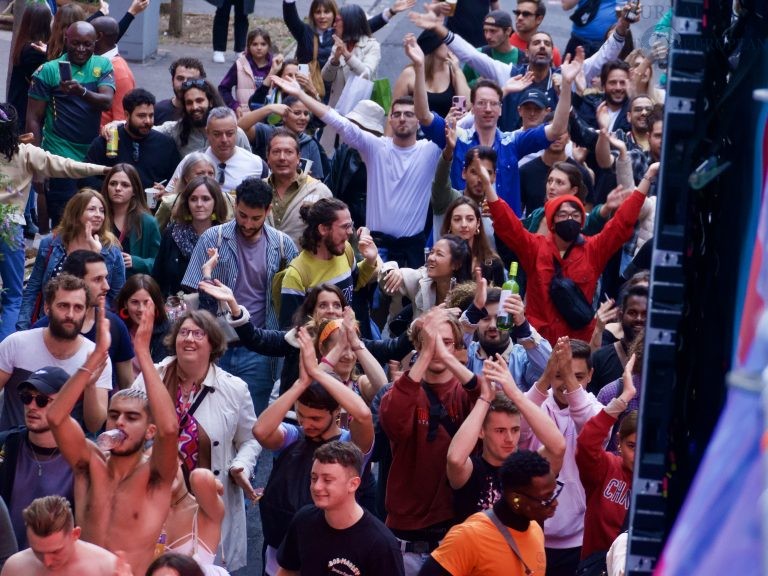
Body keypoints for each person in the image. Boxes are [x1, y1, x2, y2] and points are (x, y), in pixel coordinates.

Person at [47, 303, 179, 576]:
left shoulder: (156, 476)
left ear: (149, 431)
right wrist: (95, 356)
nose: (119, 422)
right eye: (114, 415)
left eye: (132, 418)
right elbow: (56, 418)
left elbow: (169, 430)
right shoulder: (90, 464)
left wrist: (142, 353)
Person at [131, 309, 260, 571]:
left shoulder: (234, 389)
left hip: (207, 501)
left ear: (212, 343)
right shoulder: (151, 377)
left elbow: (251, 439)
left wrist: (241, 466)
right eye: (184, 332)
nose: (189, 339)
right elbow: (130, 420)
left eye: (198, 334)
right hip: (158, 500)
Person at [269, 75, 442, 269]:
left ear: (419, 121)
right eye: (397, 114)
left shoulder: (432, 150)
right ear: (390, 121)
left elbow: (455, 133)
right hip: (374, 246)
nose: (402, 119)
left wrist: (419, 68)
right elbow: (338, 122)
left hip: (413, 250)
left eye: (409, 114)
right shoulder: (375, 147)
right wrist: (300, 94)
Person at [482, 158, 656, 344]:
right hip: (536, 342)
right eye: (563, 215)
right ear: (552, 222)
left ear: (582, 222)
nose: (569, 219)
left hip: (577, 344)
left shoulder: (594, 249)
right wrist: (488, 185)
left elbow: (622, 222)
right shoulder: (534, 247)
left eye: (575, 216)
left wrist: (648, 177)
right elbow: (509, 226)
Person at [407, 31, 579, 215]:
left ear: (501, 109)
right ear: (473, 107)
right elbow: (423, 116)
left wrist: (567, 86)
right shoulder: (456, 137)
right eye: (481, 103)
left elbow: (557, 129)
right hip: (461, 231)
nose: (488, 109)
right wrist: (418, 67)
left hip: (502, 237)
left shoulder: (513, 141)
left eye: (493, 104)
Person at [253, 326, 374, 576]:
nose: (307, 424)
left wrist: (318, 374)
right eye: (301, 415)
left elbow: (362, 414)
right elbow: (261, 431)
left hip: (327, 560)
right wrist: (300, 384)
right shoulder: (293, 436)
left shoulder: (351, 446)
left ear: (335, 413)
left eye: (316, 419)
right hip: (277, 557)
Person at [181, 177, 297, 415]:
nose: (247, 223)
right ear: (235, 206)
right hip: (218, 345)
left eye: (256, 218)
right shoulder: (213, 238)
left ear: (268, 210)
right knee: (210, 419)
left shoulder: (284, 245)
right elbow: (193, 292)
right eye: (242, 215)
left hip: (259, 350)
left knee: (251, 423)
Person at [378, 308, 479, 574]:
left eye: (445, 342)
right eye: (429, 341)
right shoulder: (398, 392)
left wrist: (445, 356)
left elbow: (487, 399)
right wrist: (424, 353)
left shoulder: (466, 392)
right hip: (407, 538)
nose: (436, 349)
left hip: (457, 533)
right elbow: (393, 423)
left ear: (458, 348)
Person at [0, 102, 109, 340]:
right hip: (9, 228)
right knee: (12, 296)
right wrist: (103, 169)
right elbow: (67, 166)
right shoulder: (25, 153)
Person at [447, 351, 566, 524]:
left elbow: (558, 447)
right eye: (500, 431)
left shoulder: (528, 468)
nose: (510, 438)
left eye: (515, 429)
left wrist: (515, 394)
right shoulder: (472, 471)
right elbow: (455, 459)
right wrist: (484, 398)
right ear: (481, 431)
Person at [522, 337, 604, 575]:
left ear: (590, 375)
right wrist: (544, 379)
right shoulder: (535, 402)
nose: (566, 384)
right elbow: (519, 427)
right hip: (528, 532)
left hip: (577, 539)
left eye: (577, 376)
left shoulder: (595, 408)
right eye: (559, 376)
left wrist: (566, 376)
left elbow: (591, 431)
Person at [26, 21, 115, 229]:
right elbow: (33, 119)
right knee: (65, 223)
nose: (81, 49)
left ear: (96, 42)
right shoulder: (47, 71)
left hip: (91, 156)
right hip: (59, 155)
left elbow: (107, 101)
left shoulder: (103, 65)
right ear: (66, 40)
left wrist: (80, 91)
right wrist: (38, 167)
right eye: (75, 43)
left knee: (93, 222)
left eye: (87, 44)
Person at [2, 274, 113, 433]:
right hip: (10, 448)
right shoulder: (16, 344)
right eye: (63, 306)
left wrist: (89, 386)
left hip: (64, 452)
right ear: (47, 308)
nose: (70, 315)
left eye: (78, 307)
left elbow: (94, 425)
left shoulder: (95, 356)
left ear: (86, 311)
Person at [417, 450, 555, 576]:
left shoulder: (536, 531)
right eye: (545, 499)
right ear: (515, 499)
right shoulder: (468, 537)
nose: (554, 503)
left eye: (554, 494)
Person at [276, 441, 405, 576]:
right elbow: (287, 570)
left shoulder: (381, 544)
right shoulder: (303, 520)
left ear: (353, 484)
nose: (316, 487)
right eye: (314, 478)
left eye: (327, 480)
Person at [18, 189, 124, 330]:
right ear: (76, 213)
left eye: (102, 210)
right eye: (92, 209)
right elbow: (33, 288)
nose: (99, 215)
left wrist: (96, 254)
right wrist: (22, 328)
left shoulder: (111, 250)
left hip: (90, 328)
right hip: (49, 324)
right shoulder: (51, 243)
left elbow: (117, 297)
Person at [33, 251, 135, 391]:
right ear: (76, 281)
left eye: (106, 278)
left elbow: (127, 387)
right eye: (97, 279)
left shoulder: (115, 327)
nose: (107, 286)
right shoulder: (42, 329)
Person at [0, 367, 75, 549]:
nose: (32, 406)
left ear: (67, 405)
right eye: (27, 398)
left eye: (42, 400)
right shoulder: (7, 444)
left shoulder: (80, 457)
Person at [576, 357, 638, 571]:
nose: (637, 455)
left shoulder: (660, 483)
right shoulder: (607, 467)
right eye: (632, 445)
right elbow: (586, 443)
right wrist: (623, 399)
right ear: (619, 442)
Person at [278, 198, 379, 328]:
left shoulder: (346, 250)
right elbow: (290, 330)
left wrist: (370, 260)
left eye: (350, 225)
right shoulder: (296, 275)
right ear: (323, 229)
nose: (350, 232)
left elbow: (356, 283)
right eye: (345, 226)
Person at [459, 273, 551, 389]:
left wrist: (523, 326)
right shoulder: (469, 354)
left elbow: (549, 371)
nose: (492, 325)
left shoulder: (522, 358)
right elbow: (451, 355)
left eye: (499, 318)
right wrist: (471, 314)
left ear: (512, 321)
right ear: (476, 322)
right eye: (485, 318)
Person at [84, 88, 181, 190]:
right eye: (141, 116)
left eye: (151, 115)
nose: (148, 121)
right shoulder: (108, 140)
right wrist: (110, 190)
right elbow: (85, 176)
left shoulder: (165, 145)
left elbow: (177, 181)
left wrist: (165, 191)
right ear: (127, 115)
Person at [319, 3, 382, 154]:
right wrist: (334, 59)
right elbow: (326, 77)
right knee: (328, 154)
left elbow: (366, 73)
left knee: (351, 155)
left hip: (359, 115)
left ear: (349, 22)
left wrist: (346, 55)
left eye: (338, 20)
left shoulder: (371, 46)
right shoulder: (339, 44)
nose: (334, 24)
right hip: (336, 110)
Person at [0, 496, 117, 575]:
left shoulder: (108, 568)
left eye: (55, 551)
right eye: (38, 552)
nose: (47, 562)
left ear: (75, 534)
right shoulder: (15, 568)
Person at [153, 176, 230, 298]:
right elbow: (158, 277)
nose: (199, 204)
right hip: (176, 308)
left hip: (218, 310)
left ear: (216, 202)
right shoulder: (172, 233)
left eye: (206, 199)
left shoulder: (226, 235)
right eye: (193, 199)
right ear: (187, 203)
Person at [165, 107, 267, 196]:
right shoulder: (190, 161)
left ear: (236, 131)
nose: (224, 140)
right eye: (217, 134)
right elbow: (169, 197)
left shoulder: (256, 164)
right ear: (207, 133)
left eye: (229, 133)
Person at [380, 234, 473, 325]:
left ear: (456, 264)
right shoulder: (422, 279)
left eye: (439, 254)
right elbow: (385, 283)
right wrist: (393, 271)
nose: (431, 258)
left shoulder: (469, 297)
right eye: (432, 252)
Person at [264, 128, 332, 246]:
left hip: (305, 263)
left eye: (289, 152)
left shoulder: (319, 191)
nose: (282, 157)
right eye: (276, 152)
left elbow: (329, 235)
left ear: (298, 157)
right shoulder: (258, 189)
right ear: (268, 157)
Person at [154, 80, 252, 158]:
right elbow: (145, 130)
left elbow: (249, 164)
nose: (195, 107)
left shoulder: (235, 134)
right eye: (189, 103)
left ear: (211, 102)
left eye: (199, 101)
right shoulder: (177, 130)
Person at [238, 95, 325, 180]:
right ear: (284, 116)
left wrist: (307, 180)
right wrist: (269, 108)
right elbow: (239, 129)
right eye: (297, 113)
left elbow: (317, 182)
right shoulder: (269, 132)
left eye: (306, 114)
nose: (303, 118)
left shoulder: (310, 143)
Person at [393, 30, 470, 119]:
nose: (451, 46)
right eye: (446, 42)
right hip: (417, 130)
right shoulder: (410, 74)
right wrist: (388, 133)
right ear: (433, 47)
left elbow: (467, 106)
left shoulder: (453, 70)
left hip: (447, 130)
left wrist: (457, 71)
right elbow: (394, 109)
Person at [102, 164, 161, 276]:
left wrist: (136, 262)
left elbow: (159, 262)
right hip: (102, 283)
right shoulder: (98, 217)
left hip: (133, 287)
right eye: (113, 183)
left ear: (134, 190)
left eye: (125, 185)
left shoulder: (148, 222)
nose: (118, 188)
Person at [589, 284, 647, 394]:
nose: (639, 319)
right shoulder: (600, 358)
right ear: (620, 315)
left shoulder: (659, 361)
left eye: (645, 314)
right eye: (632, 313)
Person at [7, 3, 51, 136]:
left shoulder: (24, 44)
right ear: (44, 23)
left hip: (18, 107)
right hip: (24, 113)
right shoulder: (34, 51)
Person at [439, 197, 504, 285]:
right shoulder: (439, 259)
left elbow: (499, 297)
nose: (464, 225)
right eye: (457, 219)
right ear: (449, 224)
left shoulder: (493, 263)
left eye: (470, 219)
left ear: (478, 224)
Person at [115, 274, 173, 369]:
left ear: (156, 304)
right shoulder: (116, 328)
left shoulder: (167, 332)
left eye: (146, 302)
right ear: (125, 304)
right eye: (135, 302)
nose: (141, 309)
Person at [155, 153, 218, 232]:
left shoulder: (226, 200)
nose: (206, 178)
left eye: (211, 173)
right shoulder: (170, 202)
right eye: (200, 174)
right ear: (186, 178)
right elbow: (155, 233)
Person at [91, 16, 135, 127]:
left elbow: (121, 123)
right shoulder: (93, 61)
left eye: (89, 32)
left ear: (98, 36)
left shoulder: (120, 73)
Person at [218, 28, 274, 113]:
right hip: (246, 116)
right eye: (254, 44)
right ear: (248, 46)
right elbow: (223, 88)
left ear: (269, 46)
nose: (259, 48)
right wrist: (235, 106)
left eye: (263, 44)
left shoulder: (275, 66)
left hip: (270, 116)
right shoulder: (240, 64)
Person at [462, 10, 518, 87]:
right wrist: (478, 82)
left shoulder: (522, 57)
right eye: (485, 31)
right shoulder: (477, 54)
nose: (488, 36)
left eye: (493, 31)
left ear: (508, 31)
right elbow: (460, 87)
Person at [509, 0, 562, 66]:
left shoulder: (551, 52)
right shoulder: (505, 44)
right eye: (517, 13)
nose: (519, 17)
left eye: (526, 14)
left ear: (539, 19)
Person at [155, 58, 208, 125]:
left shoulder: (210, 115)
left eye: (190, 79)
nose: (184, 84)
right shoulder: (158, 110)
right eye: (180, 78)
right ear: (172, 81)